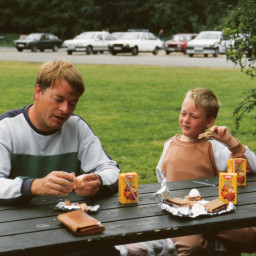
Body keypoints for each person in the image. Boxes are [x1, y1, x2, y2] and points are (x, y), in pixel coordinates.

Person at [117, 88, 256, 256]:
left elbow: (248, 168)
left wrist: (231, 142)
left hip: (213, 213)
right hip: (181, 216)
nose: (186, 120)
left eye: (194, 116)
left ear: (210, 121)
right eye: (183, 113)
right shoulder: (169, 146)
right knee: (192, 247)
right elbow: (162, 177)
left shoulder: (214, 147)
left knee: (249, 237)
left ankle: (212, 233)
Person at [0, 60, 120, 205]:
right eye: (58, 99)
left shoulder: (76, 127)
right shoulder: (6, 127)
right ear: (38, 92)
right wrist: (33, 186)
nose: (65, 109)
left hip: (68, 221)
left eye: (72, 103)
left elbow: (112, 171)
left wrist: (98, 182)